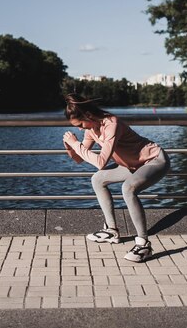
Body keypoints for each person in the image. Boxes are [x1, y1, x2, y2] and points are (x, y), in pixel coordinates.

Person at [62, 93, 170, 262]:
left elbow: (100, 162)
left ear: (88, 115)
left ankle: (143, 244)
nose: (80, 129)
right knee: (97, 179)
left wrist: (76, 144)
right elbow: (78, 159)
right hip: (132, 165)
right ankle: (111, 230)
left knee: (128, 188)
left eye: (80, 124)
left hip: (154, 160)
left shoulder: (112, 124)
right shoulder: (91, 129)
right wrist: (70, 147)